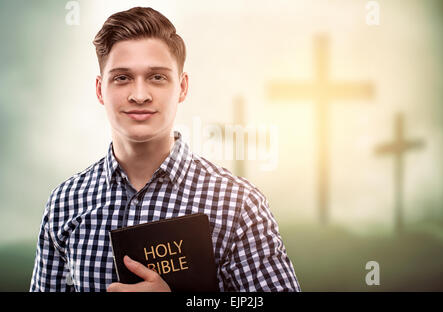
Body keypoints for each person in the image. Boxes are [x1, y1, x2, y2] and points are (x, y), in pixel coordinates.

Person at [30, 6, 300, 292]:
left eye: (157, 77)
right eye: (122, 77)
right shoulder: (65, 203)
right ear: (100, 90)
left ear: (182, 87)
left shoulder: (238, 204)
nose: (139, 95)